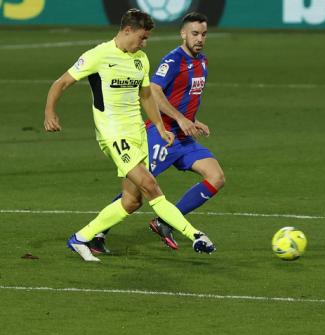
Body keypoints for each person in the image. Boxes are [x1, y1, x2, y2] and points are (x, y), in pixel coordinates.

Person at [44, 9, 216, 262]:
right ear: (127, 31)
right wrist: (50, 112)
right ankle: (196, 235)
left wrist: (159, 126)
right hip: (112, 133)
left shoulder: (141, 59)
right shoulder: (98, 56)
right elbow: (61, 82)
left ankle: (80, 238)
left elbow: (146, 95)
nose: (144, 44)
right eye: (142, 38)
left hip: (136, 131)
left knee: (132, 201)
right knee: (150, 186)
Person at [87, 11, 224, 254]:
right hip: (162, 135)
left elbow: (183, 98)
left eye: (203, 34)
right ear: (183, 34)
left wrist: (192, 120)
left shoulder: (202, 61)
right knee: (136, 192)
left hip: (183, 137)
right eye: (194, 33)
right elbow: (155, 92)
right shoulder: (173, 61)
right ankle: (96, 234)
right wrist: (180, 119)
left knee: (216, 176)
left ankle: (165, 221)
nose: (199, 38)